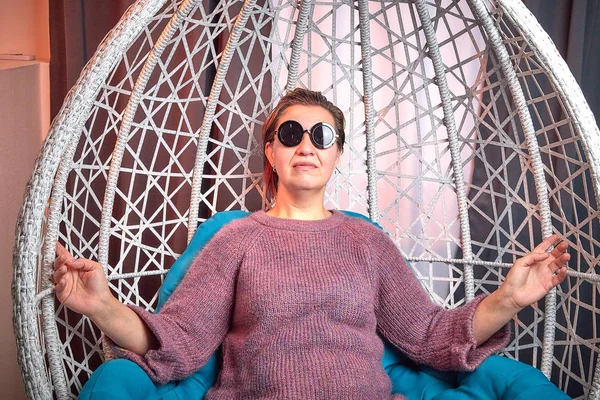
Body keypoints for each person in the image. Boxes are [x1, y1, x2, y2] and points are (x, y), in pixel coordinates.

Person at [54, 88, 570, 399]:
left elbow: (430, 334)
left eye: (321, 136)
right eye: (292, 133)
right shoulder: (235, 239)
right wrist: (101, 306)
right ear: (271, 152)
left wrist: (510, 298)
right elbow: (180, 341)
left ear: (337, 154)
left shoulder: (366, 241)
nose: (306, 145)